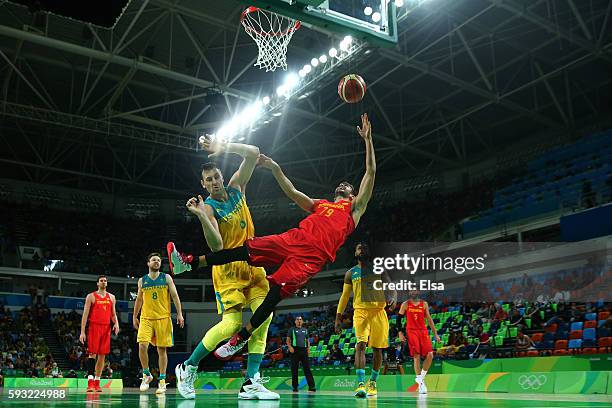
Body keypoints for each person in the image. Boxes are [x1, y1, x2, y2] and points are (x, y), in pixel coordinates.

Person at [169, 113, 376, 360]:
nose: (342, 185)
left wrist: (368, 140)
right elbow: (291, 191)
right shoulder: (321, 205)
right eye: (340, 185)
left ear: (353, 196)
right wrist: (275, 167)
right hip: (293, 238)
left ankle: (242, 338)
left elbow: (371, 171)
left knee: (274, 293)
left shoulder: (354, 210)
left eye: (347, 186)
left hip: (311, 257)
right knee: (247, 248)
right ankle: (189, 263)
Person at [172, 139, 277, 401]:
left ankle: (251, 382)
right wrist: (201, 216)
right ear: (203, 184)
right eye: (209, 180)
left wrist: (222, 145)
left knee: (264, 317)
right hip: (228, 271)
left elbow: (253, 152)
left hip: (253, 265)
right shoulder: (209, 207)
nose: (214, 182)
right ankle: (189, 366)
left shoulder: (236, 187)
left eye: (216, 176)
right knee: (231, 325)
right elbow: (217, 245)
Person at [335, 242, 395, 398]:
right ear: (355, 253)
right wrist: (338, 317)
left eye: (364, 248)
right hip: (360, 312)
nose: (361, 250)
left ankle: (373, 383)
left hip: (378, 312)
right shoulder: (350, 273)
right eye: (358, 248)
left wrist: (394, 297)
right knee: (360, 345)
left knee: (377, 349)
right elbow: (344, 297)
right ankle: (360, 384)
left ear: (369, 252)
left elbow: (390, 285)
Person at [132, 253, 184, 395]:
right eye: (154, 260)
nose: (157, 262)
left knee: (161, 350)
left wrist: (179, 313)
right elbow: (139, 300)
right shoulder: (142, 281)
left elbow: (174, 296)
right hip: (146, 318)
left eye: (159, 260)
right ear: (148, 263)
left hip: (163, 318)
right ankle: (146, 374)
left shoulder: (166, 278)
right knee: (142, 345)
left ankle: (162, 380)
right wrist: (134, 316)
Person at [79, 275, 119, 393]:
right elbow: (85, 315)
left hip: (106, 328)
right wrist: (82, 332)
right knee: (92, 354)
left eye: (105, 280)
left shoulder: (112, 297)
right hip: (94, 327)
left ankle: (97, 382)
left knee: (102, 356)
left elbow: (113, 314)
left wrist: (116, 323)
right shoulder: (91, 296)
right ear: (97, 283)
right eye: (101, 280)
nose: (103, 282)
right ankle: (90, 383)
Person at [396, 291, 440, 394]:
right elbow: (398, 319)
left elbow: (429, 319)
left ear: (418, 292)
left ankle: (420, 378)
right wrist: (400, 332)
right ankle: (421, 384)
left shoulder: (424, 304)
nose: (413, 292)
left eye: (414, 290)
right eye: (411, 290)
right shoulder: (405, 304)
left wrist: (435, 334)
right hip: (411, 331)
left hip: (423, 331)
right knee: (417, 355)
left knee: (430, 355)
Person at [286, 316, 315, 392]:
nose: (299, 321)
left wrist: (308, 349)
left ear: (302, 321)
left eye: (300, 319)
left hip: (304, 351)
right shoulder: (291, 330)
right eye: (297, 319)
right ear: (295, 321)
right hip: (295, 351)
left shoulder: (305, 330)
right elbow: (288, 340)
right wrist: (290, 347)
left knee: (307, 369)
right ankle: (295, 387)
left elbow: (307, 340)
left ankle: (311, 387)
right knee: (294, 369)